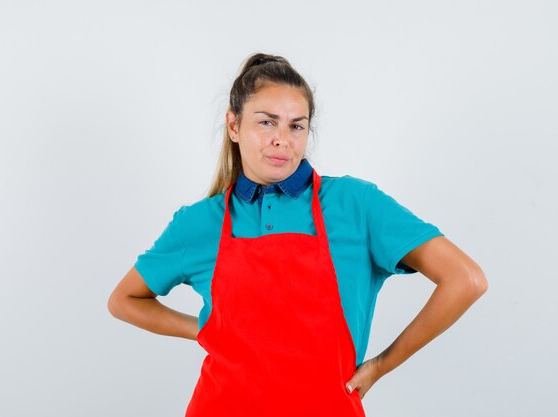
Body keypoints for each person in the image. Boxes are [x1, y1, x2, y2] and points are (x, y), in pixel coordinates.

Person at [107, 53, 488, 416]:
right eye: (267, 122)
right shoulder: (199, 223)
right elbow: (124, 300)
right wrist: (204, 328)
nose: (282, 139)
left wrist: (381, 366)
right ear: (234, 125)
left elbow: (465, 280)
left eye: (296, 125)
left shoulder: (355, 205)